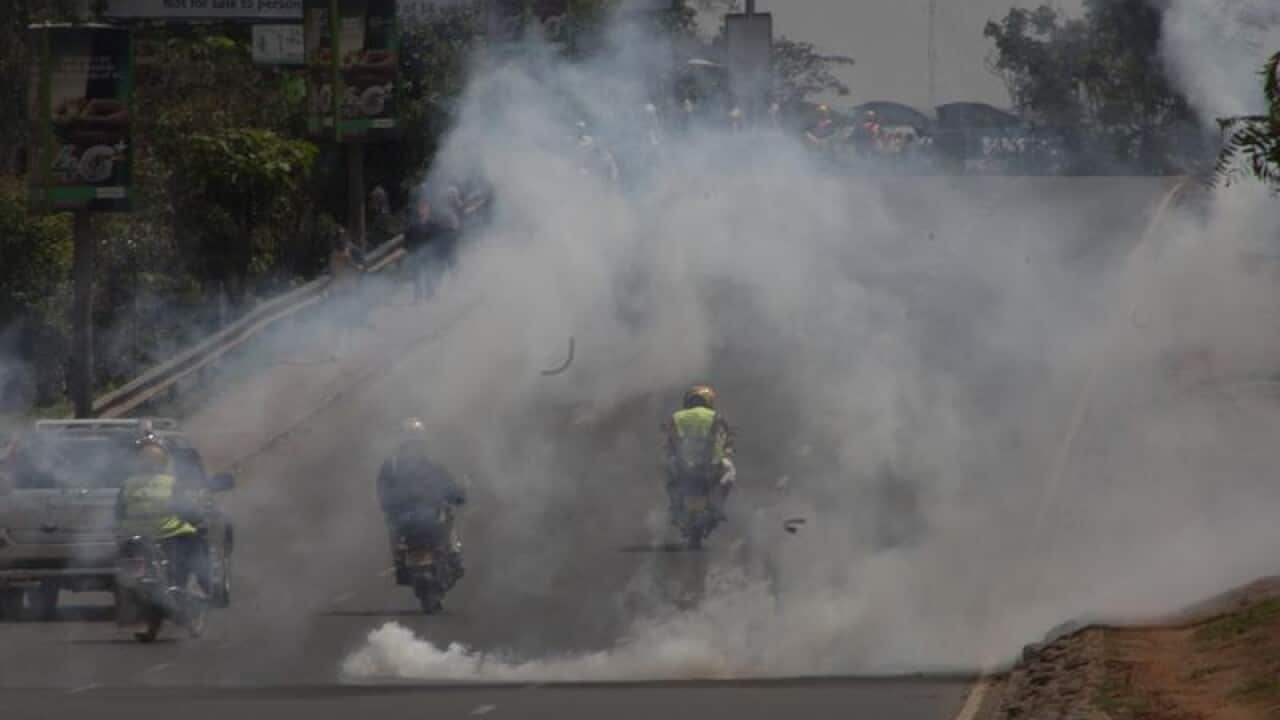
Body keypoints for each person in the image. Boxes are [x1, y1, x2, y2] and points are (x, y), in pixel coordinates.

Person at [115, 430, 207, 595]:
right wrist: (198, 519)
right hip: (169, 533)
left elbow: (118, 512)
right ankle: (203, 586)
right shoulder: (171, 483)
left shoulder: (127, 485)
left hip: (135, 536)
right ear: (163, 461)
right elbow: (187, 509)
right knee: (198, 545)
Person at [377, 419, 467, 584]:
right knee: (448, 516)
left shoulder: (393, 465)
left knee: (393, 528)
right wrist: (458, 496)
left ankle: (401, 561)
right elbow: (448, 485)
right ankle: (454, 557)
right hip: (425, 519)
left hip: (406, 521)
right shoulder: (428, 463)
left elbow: (382, 492)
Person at [663, 385, 736, 521]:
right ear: (708, 400)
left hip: (683, 465)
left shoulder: (676, 417)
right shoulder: (716, 417)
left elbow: (669, 443)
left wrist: (672, 454)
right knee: (730, 472)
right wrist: (725, 453)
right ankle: (717, 505)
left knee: (669, 474)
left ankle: (675, 505)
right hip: (710, 466)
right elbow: (725, 440)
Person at [403, 195, 459, 303]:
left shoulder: (433, 224)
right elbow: (407, 237)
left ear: (428, 209)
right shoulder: (412, 225)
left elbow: (439, 235)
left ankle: (430, 294)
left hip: (429, 254)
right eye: (421, 207)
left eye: (425, 207)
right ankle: (418, 297)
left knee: (429, 274)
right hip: (416, 253)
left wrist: (450, 231)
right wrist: (409, 249)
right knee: (417, 276)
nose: (422, 210)